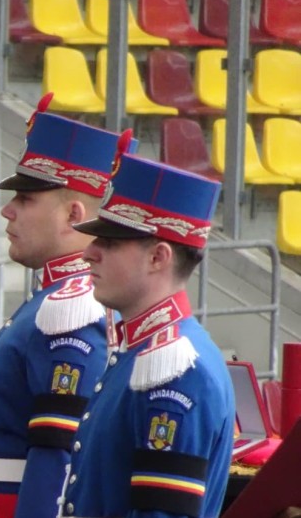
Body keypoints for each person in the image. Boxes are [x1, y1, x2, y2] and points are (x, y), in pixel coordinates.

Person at [0, 96, 133, 518]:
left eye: (27, 199)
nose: (7, 210)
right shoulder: (52, 300)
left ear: (73, 214)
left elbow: (57, 459)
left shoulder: (72, 310)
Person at [61, 153, 235, 517]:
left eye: (109, 242)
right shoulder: (141, 352)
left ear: (158, 257)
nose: (89, 252)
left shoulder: (177, 369)